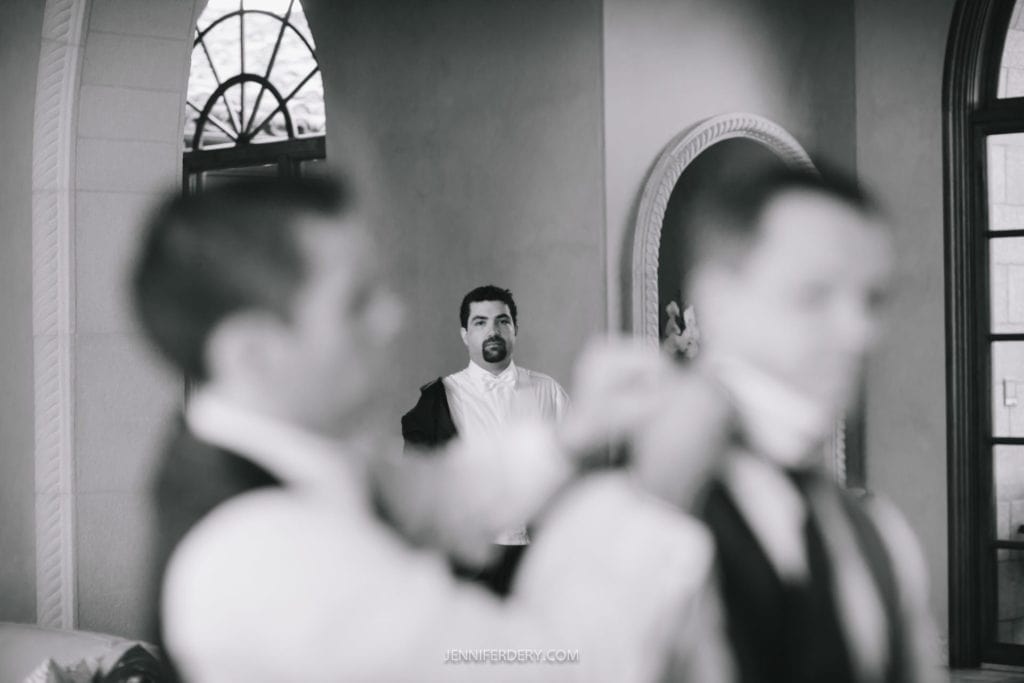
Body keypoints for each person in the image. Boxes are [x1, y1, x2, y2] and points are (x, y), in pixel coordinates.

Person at [132, 175, 728, 682]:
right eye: (356, 302)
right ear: (253, 354)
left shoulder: (296, 456)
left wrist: (574, 433)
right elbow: (548, 667)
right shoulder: (264, 558)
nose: (393, 316)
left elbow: (441, 494)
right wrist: (655, 492)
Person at [627, 164, 939, 683]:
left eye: (871, 300)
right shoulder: (614, 527)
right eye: (814, 293)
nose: (859, 332)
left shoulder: (881, 539)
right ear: (716, 300)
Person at [402, 285, 569, 594]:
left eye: (502, 321)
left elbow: (574, 478)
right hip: (469, 568)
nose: (493, 331)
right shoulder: (436, 401)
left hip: (540, 562)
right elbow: (423, 495)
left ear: (515, 329)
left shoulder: (550, 392)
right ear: (465, 335)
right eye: (480, 322)